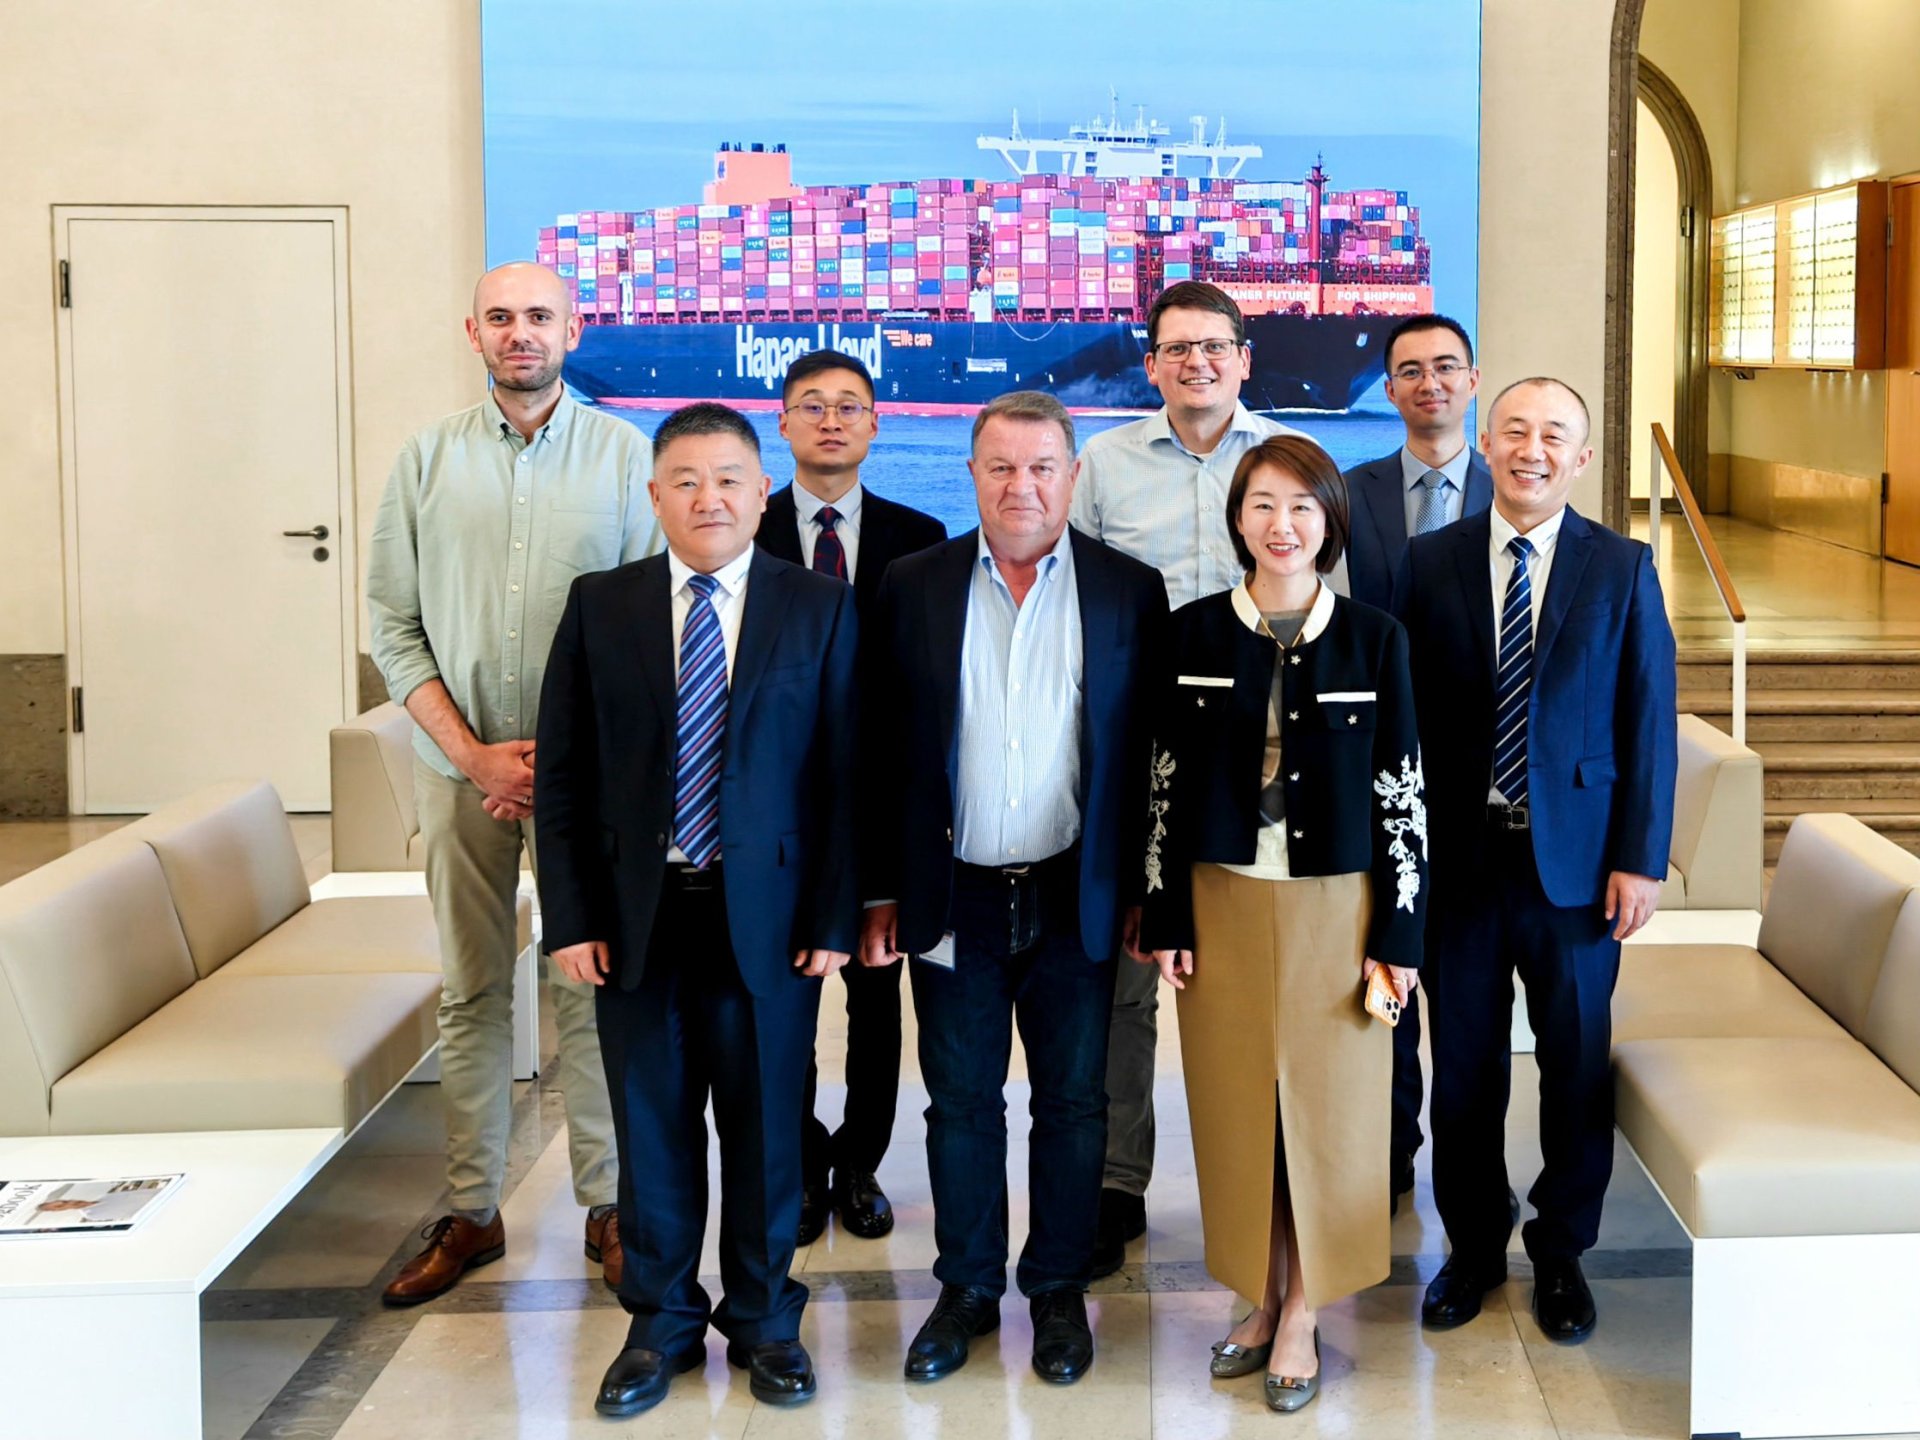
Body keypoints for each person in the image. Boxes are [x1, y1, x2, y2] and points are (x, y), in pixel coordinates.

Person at [534, 402, 858, 1416]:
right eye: (685, 480)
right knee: (652, 1125)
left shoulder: (819, 607)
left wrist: (833, 918)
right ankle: (662, 1323)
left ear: (762, 493)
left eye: (727, 479)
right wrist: (570, 916)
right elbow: (564, 777)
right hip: (637, 918)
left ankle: (766, 1319)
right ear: (655, 495)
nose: (707, 498)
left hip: (769, 920)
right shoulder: (601, 604)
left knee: (766, 1127)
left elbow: (845, 776)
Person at [860, 390, 1167, 1385]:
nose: (1021, 486)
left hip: (1076, 892)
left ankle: (1059, 1292)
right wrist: (879, 890)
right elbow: (882, 747)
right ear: (973, 476)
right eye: (1000, 467)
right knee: (960, 1103)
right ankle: (966, 1291)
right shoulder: (914, 584)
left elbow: (1147, 756)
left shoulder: (1130, 590)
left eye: (1041, 467)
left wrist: (1147, 895)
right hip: (954, 896)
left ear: (1073, 477)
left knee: (1074, 1103)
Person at [366, 261, 656, 1306]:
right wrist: (477, 756)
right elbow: (392, 625)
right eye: (501, 317)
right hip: (459, 773)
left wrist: (561, 766)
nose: (519, 332)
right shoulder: (424, 460)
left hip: (590, 787)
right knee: (473, 990)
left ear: (574, 329)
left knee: (591, 988)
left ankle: (610, 1207)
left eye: (539, 315)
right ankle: (471, 1210)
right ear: (473, 332)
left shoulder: (628, 458)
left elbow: (649, 629)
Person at [1142, 434, 1425, 1412]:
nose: (1282, 525)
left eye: (1303, 506)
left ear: (1330, 523)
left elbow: (1403, 793)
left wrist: (1400, 935)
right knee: (1240, 1111)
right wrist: (1165, 911)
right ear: (1237, 520)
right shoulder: (1191, 634)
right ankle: (1260, 1294)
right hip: (1220, 901)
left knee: (1325, 1114)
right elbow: (1162, 785)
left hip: (1337, 911)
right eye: (1262, 504)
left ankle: (1304, 1308)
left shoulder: (1375, 639)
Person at [1394, 377, 1675, 1344]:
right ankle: (1474, 1246)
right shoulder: (1428, 562)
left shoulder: (1623, 565)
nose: (1533, 449)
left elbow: (1648, 719)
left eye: (1555, 435)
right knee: (1464, 1069)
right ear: (1486, 443)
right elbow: (1401, 719)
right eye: (1514, 430)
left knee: (1575, 1063)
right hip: (1460, 864)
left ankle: (1562, 1250)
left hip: (1581, 869)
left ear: (1582, 458)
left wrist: (1641, 858)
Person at [1069, 280, 1312, 1276]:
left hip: (1271, 761)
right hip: (1141, 751)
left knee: (1264, 985)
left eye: (1216, 346)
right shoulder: (1104, 464)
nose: (1198, 362)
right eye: (1178, 348)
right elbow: (1076, 599)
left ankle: (1276, 1190)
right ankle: (1116, 1182)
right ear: (1151, 363)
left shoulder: (1292, 458)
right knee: (1129, 978)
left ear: (1245, 358)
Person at [758, 348, 946, 1246]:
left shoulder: (923, 537)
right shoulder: (745, 527)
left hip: (881, 810)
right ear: (782, 423)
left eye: (848, 406)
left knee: (877, 1001)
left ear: (876, 422)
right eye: (812, 405)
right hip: (775, 813)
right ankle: (798, 1168)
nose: (830, 420)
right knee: (784, 997)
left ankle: (861, 1163)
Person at [1336, 313, 1492, 1213]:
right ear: (1388, 388)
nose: (1429, 383)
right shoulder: (1349, 492)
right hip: (1375, 772)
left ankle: (1468, 1185)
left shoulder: (1513, 487)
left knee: (1462, 996)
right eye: (1409, 371)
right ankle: (1388, 1156)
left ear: (1472, 380)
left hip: (1479, 781)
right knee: (1382, 974)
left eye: (1445, 367)